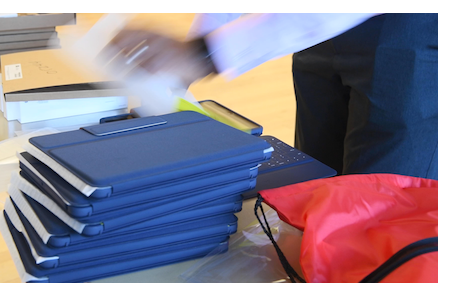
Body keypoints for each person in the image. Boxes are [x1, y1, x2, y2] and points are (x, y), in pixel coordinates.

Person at [103, 13, 438, 180]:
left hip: (406, 30)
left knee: (381, 211)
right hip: (311, 30)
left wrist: (205, 52)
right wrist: (178, 76)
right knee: (314, 184)